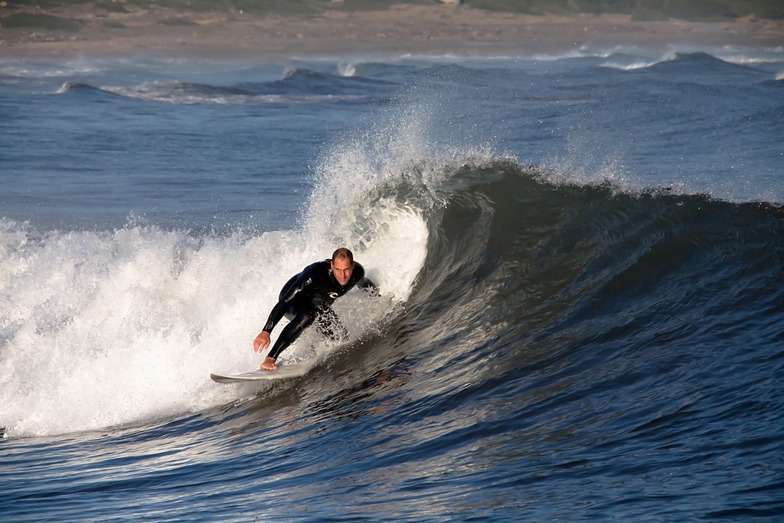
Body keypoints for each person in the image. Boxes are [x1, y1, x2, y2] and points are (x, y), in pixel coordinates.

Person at [253, 247, 378, 370]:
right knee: (308, 316)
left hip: (318, 305)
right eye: (338, 270)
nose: (342, 275)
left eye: (346, 270)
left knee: (341, 338)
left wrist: (376, 297)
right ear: (332, 265)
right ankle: (270, 357)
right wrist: (266, 331)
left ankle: (312, 353)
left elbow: (364, 283)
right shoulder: (315, 274)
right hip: (293, 301)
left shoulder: (357, 273)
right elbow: (285, 301)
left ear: (353, 266)